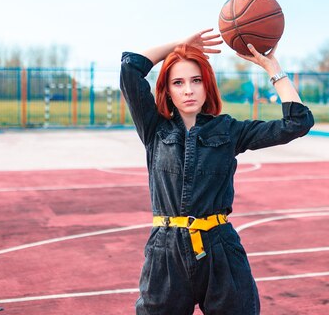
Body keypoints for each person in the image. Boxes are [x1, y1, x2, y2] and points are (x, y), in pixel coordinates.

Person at [120, 28, 314, 315]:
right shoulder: (154, 129)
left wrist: (272, 67)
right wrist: (179, 44)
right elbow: (129, 68)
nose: (188, 89)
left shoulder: (229, 130)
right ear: (168, 90)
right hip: (166, 251)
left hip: (219, 248)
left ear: (206, 85)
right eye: (178, 82)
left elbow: (297, 122)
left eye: (196, 80)